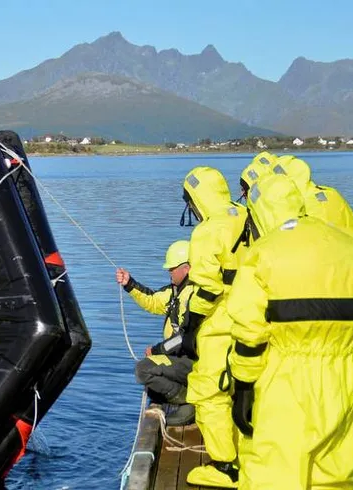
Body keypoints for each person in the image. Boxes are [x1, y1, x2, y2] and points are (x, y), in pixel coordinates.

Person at [226, 174, 353, 489]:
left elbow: (249, 333)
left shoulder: (264, 253)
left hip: (286, 384)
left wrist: (242, 389)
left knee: (274, 475)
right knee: (340, 475)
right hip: (346, 380)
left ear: (259, 214)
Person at [180, 166, 248, 488]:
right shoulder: (248, 215)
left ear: (196, 198)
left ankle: (225, 467)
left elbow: (208, 289)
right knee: (245, 390)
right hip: (254, 321)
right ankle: (249, 457)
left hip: (219, 326)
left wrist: (191, 326)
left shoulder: (207, 231)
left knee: (209, 393)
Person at [115, 240, 197, 426]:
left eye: (172, 269)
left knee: (143, 370)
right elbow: (153, 301)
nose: (169, 272)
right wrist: (129, 284)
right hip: (179, 358)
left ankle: (187, 398)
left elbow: (185, 337)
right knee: (151, 378)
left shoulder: (194, 295)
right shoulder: (176, 291)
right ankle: (178, 393)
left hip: (192, 360)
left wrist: (158, 350)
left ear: (186, 268)